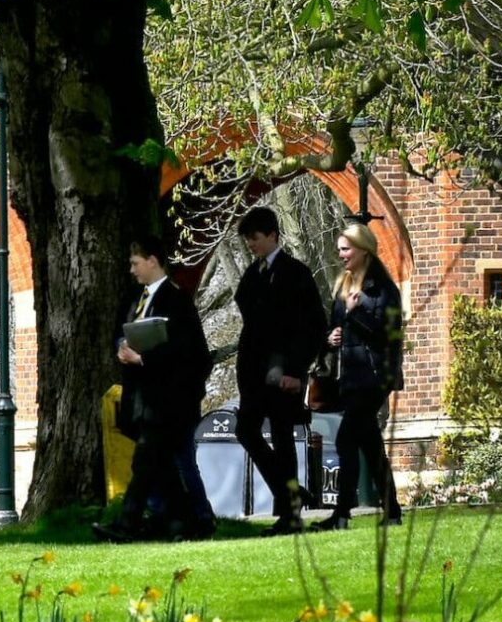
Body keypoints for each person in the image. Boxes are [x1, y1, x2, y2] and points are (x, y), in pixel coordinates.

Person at [94, 236, 213, 543]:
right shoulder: (135, 299)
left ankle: (127, 524)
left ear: (152, 260)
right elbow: (120, 333)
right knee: (161, 465)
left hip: (168, 400)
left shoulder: (176, 299)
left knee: (145, 462)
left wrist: (144, 358)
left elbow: (189, 351)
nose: (132, 270)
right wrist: (121, 347)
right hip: (142, 400)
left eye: (136, 263)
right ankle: (185, 522)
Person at [233, 207, 327, 533]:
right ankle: (292, 495)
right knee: (246, 431)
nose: (251, 245)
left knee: (284, 438)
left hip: (284, 372)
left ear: (272, 234)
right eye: (247, 240)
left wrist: (296, 371)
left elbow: (312, 327)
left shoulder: (295, 274)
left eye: (255, 238)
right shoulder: (252, 275)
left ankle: (289, 514)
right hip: (254, 373)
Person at [322, 221, 404, 531]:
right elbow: (332, 328)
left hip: (374, 377)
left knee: (346, 440)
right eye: (340, 249)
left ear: (363, 250)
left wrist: (357, 312)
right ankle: (392, 511)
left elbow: (388, 333)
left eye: (345, 249)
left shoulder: (382, 289)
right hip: (351, 377)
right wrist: (330, 338)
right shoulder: (343, 286)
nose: (340, 254)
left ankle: (341, 514)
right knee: (369, 443)